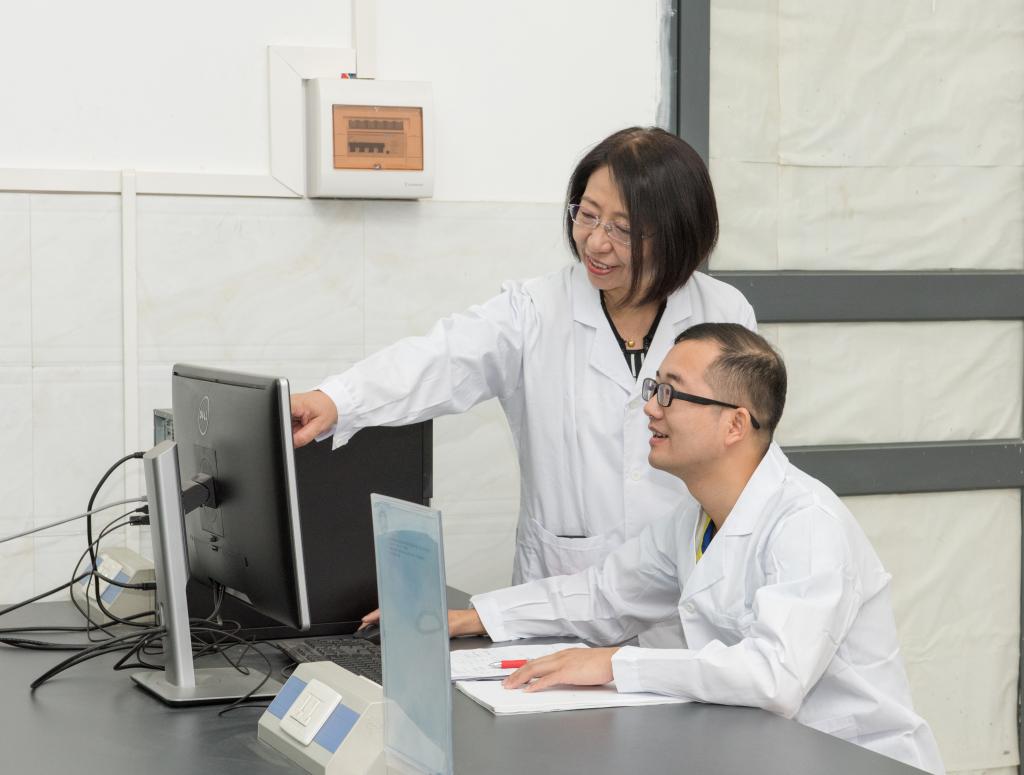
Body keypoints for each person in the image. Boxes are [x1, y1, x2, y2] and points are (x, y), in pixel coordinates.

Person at [290, 128, 756, 620]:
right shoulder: (535, 309)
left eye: (623, 229)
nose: (596, 242)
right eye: (587, 215)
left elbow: (746, 457)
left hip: (690, 603)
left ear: (676, 233)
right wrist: (336, 400)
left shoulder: (724, 314)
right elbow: (442, 356)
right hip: (562, 601)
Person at [448, 323, 944, 775]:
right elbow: (605, 596)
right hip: (763, 749)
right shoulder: (697, 516)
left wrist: (615, 664)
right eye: (654, 388)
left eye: (670, 392)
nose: (650, 408)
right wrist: (476, 617)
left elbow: (774, 675)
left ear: (735, 425)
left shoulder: (808, 525)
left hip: (855, 758)